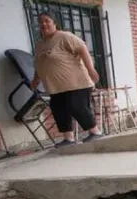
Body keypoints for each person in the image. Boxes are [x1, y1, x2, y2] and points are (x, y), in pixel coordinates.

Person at [30, 12, 103, 147]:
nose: (43, 24)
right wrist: (35, 79)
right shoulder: (39, 44)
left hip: (76, 82)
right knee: (58, 109)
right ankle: (68, 139)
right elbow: (39, 63)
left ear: (54, 23)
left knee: (77, 106)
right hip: (55, 86)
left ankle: (95, 132)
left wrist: (91, 69)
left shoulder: (64, 36)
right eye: (40, 22)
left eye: (47, 21)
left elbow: (82, 48)